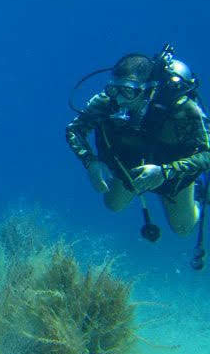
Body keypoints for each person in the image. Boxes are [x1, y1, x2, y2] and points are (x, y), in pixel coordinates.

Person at [66, 47, 210, 239]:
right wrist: (90, 162)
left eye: (128, 91)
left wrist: (165, 172)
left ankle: (199, 190)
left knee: (183, 228)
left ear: (149, 89)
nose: (118, 99)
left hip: (171, 172)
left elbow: (207, 153)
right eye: (114, 89)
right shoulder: (106, 102)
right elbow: (74, 130)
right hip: (129, 168)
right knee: (113, 205)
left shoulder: (181, 109)